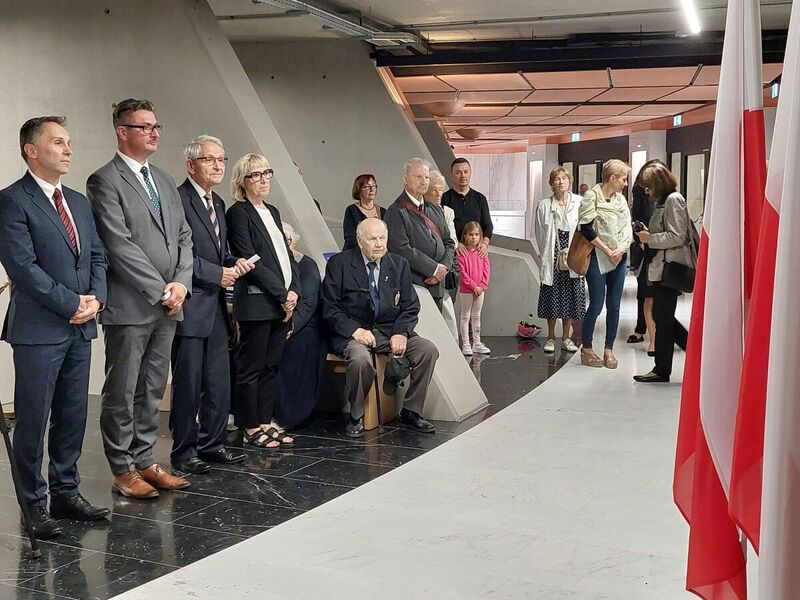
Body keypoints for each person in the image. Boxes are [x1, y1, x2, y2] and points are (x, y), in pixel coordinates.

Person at [0, 116, 109, 539]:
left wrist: (95, 300)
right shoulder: (12, 200)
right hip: (40, 328)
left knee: (72, 414)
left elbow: (97, 256)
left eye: (69, 141)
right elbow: (23, 268)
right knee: (33, 419)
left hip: (81, 326)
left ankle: (67, 492)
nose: (68, 149)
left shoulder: (79, 202)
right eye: (58, 142)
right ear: (31, 149)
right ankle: (34, 505)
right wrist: (71, 303)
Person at [88, 99, 193, 498]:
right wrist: (162, 289)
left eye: (156, 126)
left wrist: (181, 283)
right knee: (123, 389)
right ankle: (121, 467)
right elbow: (119, 245)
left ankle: (146, 458)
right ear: (122, 131)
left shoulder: (164, 180)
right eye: (145, 126)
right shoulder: (104, 180)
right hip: (132, 304)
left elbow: (184, 236)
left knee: (151, 387)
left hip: (170, 303)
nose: (154, 132)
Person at [169, 135, 252, 475]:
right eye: (210, 159)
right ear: (191, 164)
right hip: (190, 306)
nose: (219, 165)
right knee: (189, 384)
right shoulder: (178, 200)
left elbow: (220, 253)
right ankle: (184, 451)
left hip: (217, 307)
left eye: (222, 159)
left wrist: (236, 265)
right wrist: (218, 273)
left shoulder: (216, 203)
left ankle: (213, 443)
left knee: (219, 381)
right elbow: (180, 255)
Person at [321, 218, 438, 438]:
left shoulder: (399, 264)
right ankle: (356, 416)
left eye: (382, 238)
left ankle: (411, 411)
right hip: (353, 333)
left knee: (427, 350)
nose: (379, 244)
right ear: (359, 241)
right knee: (359, 359)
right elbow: (329, 307)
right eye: (372, 239)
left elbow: (410, 306)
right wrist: (355, 331)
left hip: (388, 330)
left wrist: (401, 332)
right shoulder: (340, 264)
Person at [226, 153, 299, 450]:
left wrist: (294, 289)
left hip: (282, 301)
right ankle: (249, 425)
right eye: (256, 175)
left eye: (266, 172)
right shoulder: (238, 213)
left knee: (271, 366)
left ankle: (266, 420)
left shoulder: (274, 211)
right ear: (242, 181)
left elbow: (285, 255)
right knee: (251, 367)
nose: (264, 178)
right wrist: (282, 294)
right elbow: (249, 259)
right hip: (258, 302)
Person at [633, 163, 693, 383]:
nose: (647, 192)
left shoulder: (673, 200)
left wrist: (651, 239)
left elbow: (678, 236)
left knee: (663, 317)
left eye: (648, 188)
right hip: (660, 267)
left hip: (670, 268)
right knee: (662, 316)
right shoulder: (663, 201)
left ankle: (669, 364)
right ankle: (665, 366)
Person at [578, 159, 633, 369]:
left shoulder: (620, 200)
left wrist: (621, 249)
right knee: (596, 304)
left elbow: (627, 227)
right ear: (613, 178)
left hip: (619, 258)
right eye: (624, 179)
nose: (625, 183)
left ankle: (609, 349)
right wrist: (608, 250)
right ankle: (587, 348)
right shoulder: (591, 197)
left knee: (614, 305)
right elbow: (586, 228)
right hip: (597, 257)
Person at [384, 157, 454, 310]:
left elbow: (449, 242)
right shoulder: (396, 212)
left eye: (427, 177)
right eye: (418, 177)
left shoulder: (434, 209)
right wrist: (433, 269)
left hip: (437, 287)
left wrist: (443, 268)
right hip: (413, 288)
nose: (424, 181)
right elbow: (400, 248)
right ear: (405, 179)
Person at [275, 223, 326, 429]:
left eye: (285, 241)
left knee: (294, 350)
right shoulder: (276, 265)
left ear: (292, 242)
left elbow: (308, 304)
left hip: (307, 326)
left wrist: (290, 327)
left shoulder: (307, 265)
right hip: (279, 323)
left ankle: (287, 416)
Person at [532, 166, 585, 354]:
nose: (561, 182)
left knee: (570, 296)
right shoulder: (544, 205)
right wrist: (544, 252)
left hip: (573, 256)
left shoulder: (579, 202)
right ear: (551, 183)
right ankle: (550, 337)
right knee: (552, 295)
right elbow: (539, 233)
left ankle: (566, 337)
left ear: (569, 180)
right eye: (557, 179)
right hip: (552, 255)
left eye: (564, 178)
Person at [627, 160, 661, 353]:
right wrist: (640, 237)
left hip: (660, 246)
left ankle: (657, 334)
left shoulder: (668, 197)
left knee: (658, 295)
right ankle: (643, 330)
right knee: (646, 293)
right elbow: (637, 217)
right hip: (645, 246)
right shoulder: (640, 190)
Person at [424, 169, 459, 340]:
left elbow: (452, 241)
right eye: (434, 189)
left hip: (445, 268)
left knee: (447, 310)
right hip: (426, 269)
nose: (439, 193)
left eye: (441, 189)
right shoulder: (418, 211)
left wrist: (442, 268)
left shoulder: (447, 212)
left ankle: (452, 347)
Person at [442, 157, 493, 257]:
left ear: (470, 173)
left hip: (477, 254)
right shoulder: (444, 199)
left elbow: (488, 225)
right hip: (453, 253)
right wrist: (456, 243)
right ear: (452, 175)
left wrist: (484, 244)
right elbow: (442, 228)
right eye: (458, 172)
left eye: (466, 172)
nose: (463, 176)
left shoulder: (480, 198)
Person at [457, 222, 491, 356]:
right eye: (471, 234)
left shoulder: (482, 253)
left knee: (476, 316)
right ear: (465, 236)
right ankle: (466, 343)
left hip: (479, 290)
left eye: (477, 234)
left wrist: (481, 286)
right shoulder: (462, 254)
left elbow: (486, 271)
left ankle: (477, 342)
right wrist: (473, 286)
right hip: (467, 290)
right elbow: (463, 274)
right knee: (465, 316)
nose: (474, 237)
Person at [342, 174, 386, 251]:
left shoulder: (383, 211)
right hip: (355, 253)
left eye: (374, 186)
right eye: (367, 187)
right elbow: (350, 238)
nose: (372, 189)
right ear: (359, 189)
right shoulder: (351, 210)